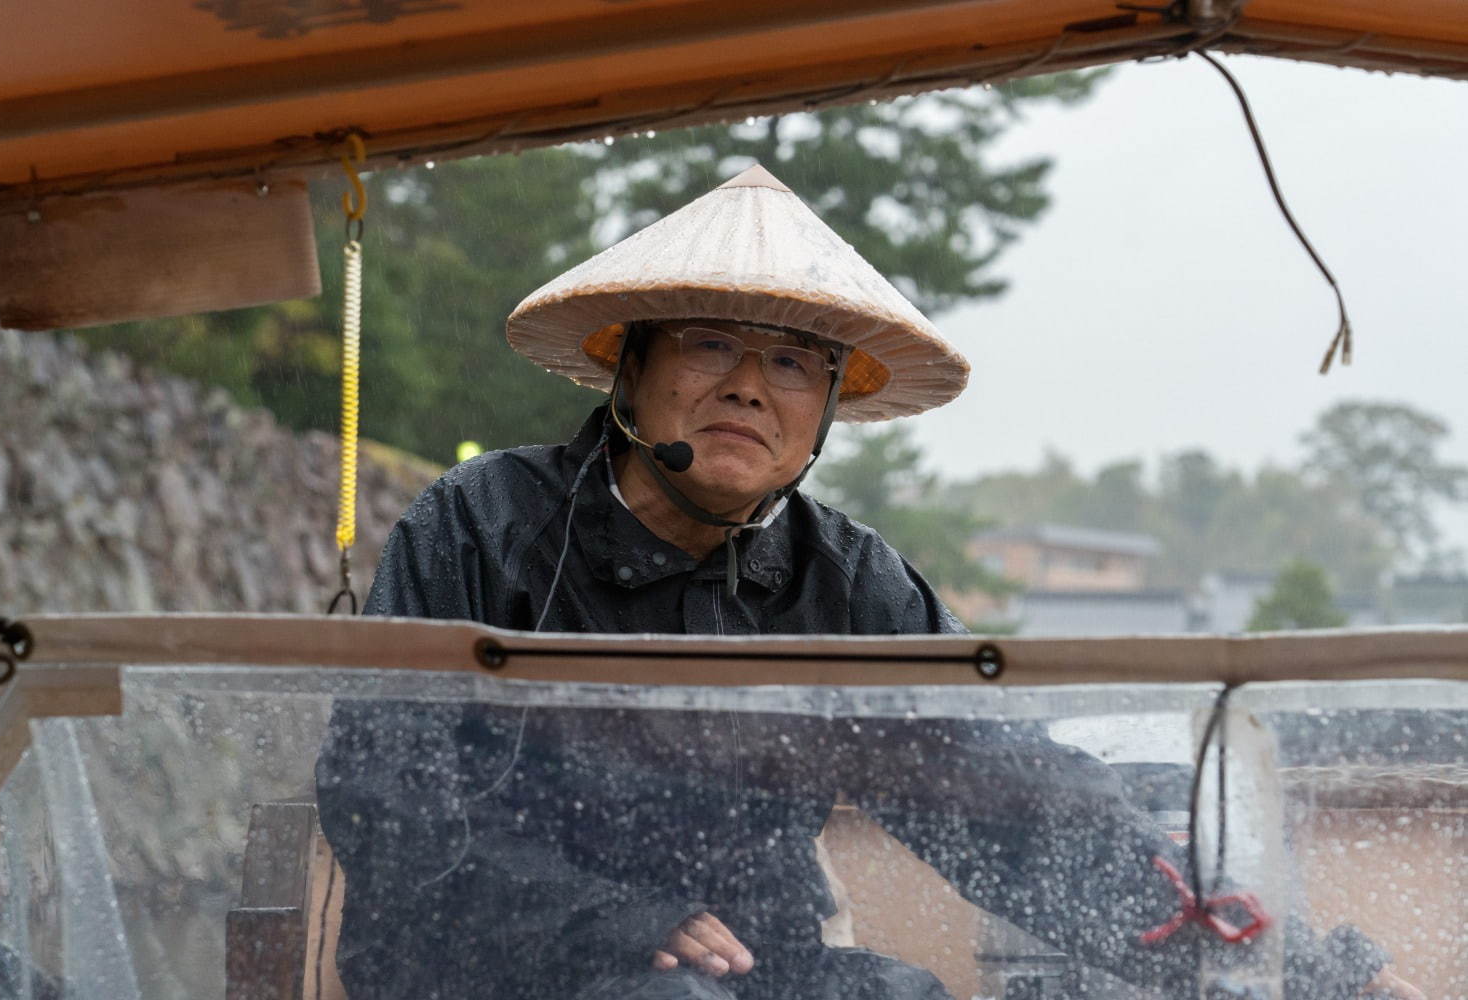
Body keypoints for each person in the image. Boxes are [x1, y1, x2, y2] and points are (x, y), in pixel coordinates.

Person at [316, 166, 1420, 1000]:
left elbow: (1012, 801)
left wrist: (1305, 967)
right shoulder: (482, 524)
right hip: (507, 964)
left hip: (757, 966)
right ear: (632, 374)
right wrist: (611, 920)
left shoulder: (848, 582)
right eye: (708, 345)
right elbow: (388, 803)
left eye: (794, 362)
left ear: (824, 417)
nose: (749, 387)